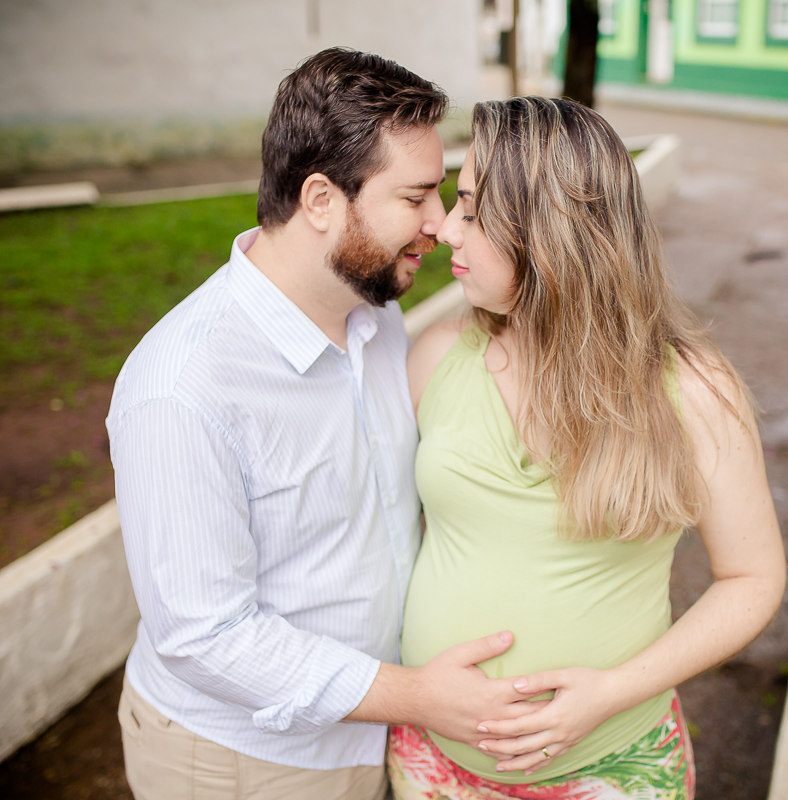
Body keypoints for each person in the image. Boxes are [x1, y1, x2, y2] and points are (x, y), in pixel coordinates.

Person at [106, 49, 542, 800]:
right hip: (239, 761)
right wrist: (416, 695)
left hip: (371, 734)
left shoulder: (375, 312)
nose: (439, 225)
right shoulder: (183, 387)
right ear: (319, 200)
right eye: (416, 198)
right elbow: (205, 637)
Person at [390, 97, 787, 799]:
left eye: (475, 211)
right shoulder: (435, 358)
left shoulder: (692, 389)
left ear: (548, 231)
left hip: (613, 769)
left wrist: (609, 692)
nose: (447, 228)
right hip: (432, 768)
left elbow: (752, 579)